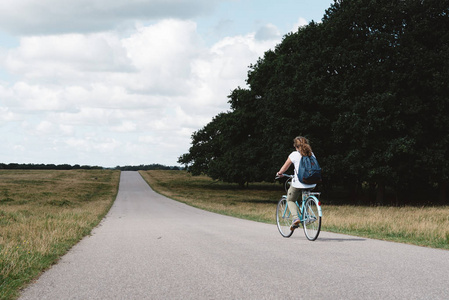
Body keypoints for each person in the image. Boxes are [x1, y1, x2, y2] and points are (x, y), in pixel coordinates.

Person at [276, 136, 316, 231]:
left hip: (299, 183)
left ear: (296, 146)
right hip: (312, 183)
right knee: (305, 198)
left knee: (290, 200)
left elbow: (285, 167)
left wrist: (279, 173)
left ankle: (296, 218)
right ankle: (306, 216)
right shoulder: (311, 154)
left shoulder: (294, 154)